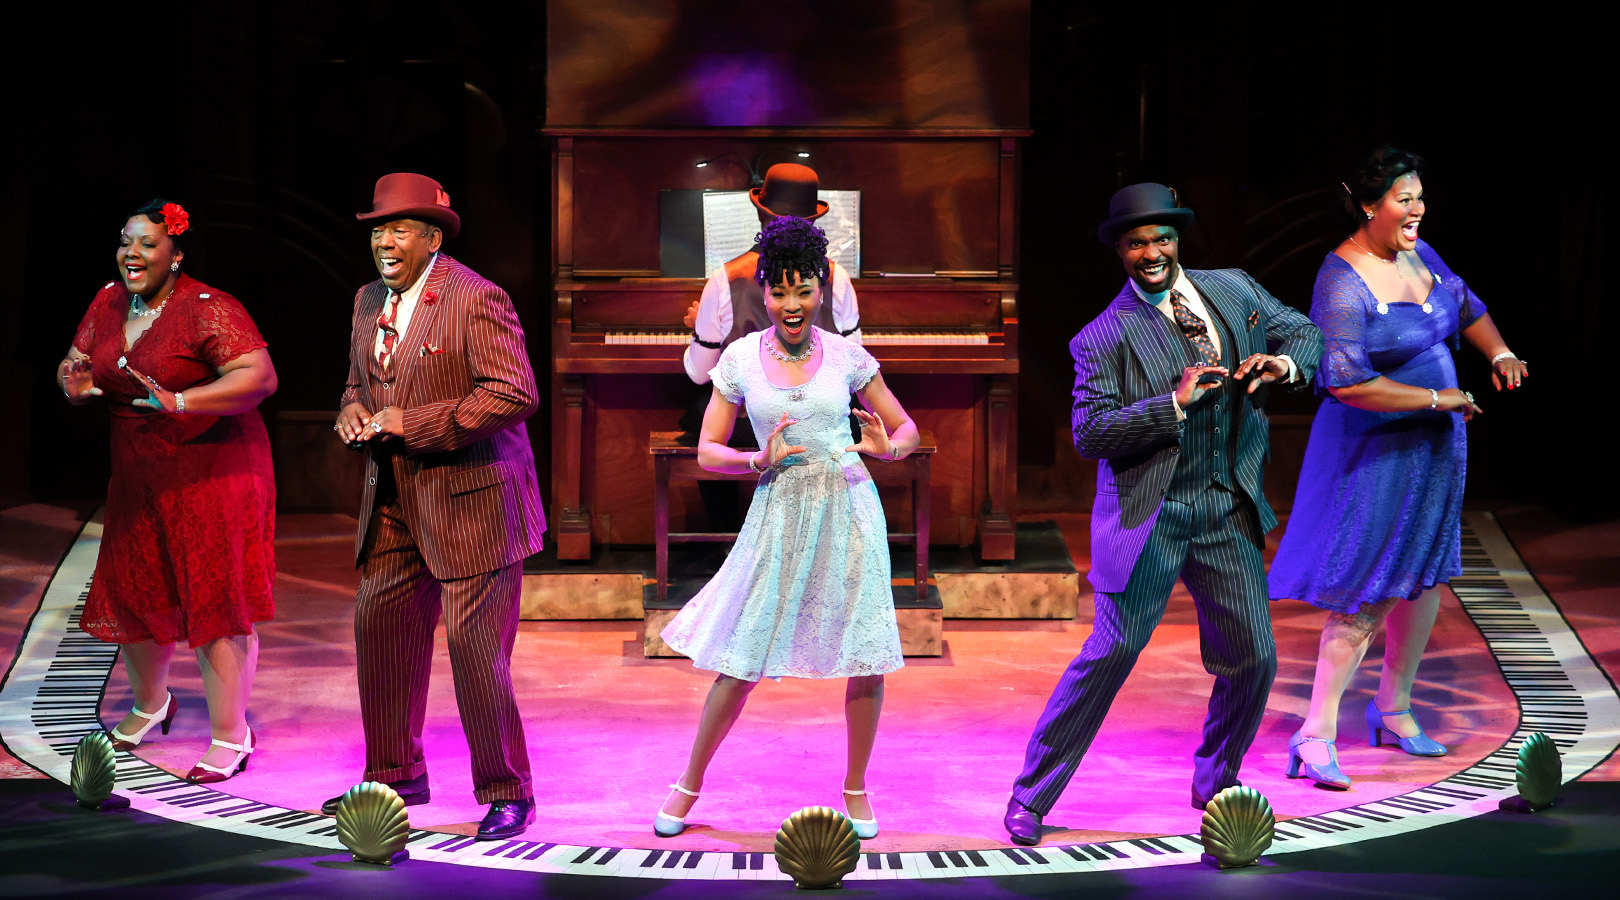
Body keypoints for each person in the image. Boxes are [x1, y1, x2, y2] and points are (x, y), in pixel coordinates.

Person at [1003, 183, 1324, 846]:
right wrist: (1172, 404)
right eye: (1136, 242)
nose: (1151, 252)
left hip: (1225, 504)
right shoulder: (1102, 337)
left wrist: (1284, 364)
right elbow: (1090, 432)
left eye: (1161, 238)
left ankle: (1217, 776)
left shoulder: (1232, 290)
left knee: (1255, 656)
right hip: (1152, 513)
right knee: (1112, 650)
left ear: (1179, 239)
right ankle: (1031, 794)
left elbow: (1307, 333)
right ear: (1119, 250)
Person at [1268, 146, 1525, 788]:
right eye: (1404, 200)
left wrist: (1499, 351)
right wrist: (1440, 398)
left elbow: (1465, 307)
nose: (1417, 210)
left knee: (1424, 578)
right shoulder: (1340, 279)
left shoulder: (1419, 252)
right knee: (1368, 589)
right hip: (1373, 451)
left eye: (1419, 197)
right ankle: (1315, 734)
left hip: (1435, 448)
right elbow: (1347, 382)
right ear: (1367, 205)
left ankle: (1395, 708)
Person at [654, 216, 917, 840]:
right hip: (778, 513)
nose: (792, 304)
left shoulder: (850, 356)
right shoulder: (742, 358)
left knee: (865, 653)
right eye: (780, 291)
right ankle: (687, 785)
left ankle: (855, 788)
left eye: (804, 291)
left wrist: (887, 449)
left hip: (849, 510)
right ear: (765, 293)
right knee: (742, 657)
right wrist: (755, 459)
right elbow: (707, 451)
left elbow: (905, 430)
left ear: (820, 292)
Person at [322, 173, 547, 841]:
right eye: (375, 230)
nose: (383, 242)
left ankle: (509, 790)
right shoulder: (367, 301)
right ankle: (395, 775)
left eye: (396, 229)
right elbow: (355, 384)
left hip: (474, 502)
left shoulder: (477, 298)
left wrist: (407, 422)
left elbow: (514, 393)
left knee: (475, 649)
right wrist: (352, 412)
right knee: (379, 627)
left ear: (430, 237)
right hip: (393, 495)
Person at [59, 199, 278, 784]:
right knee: (134, 586)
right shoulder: (108, 299)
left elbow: (258, 377)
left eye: (148, 244)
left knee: (214, 597)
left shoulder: (207, 307)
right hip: (138, 469)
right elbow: (78, 359)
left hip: (213, 470)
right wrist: (74, 381)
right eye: (126, 241)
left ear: (175, 256)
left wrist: (182, 401)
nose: (132, 253)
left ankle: (232, 735)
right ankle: (150, 703)